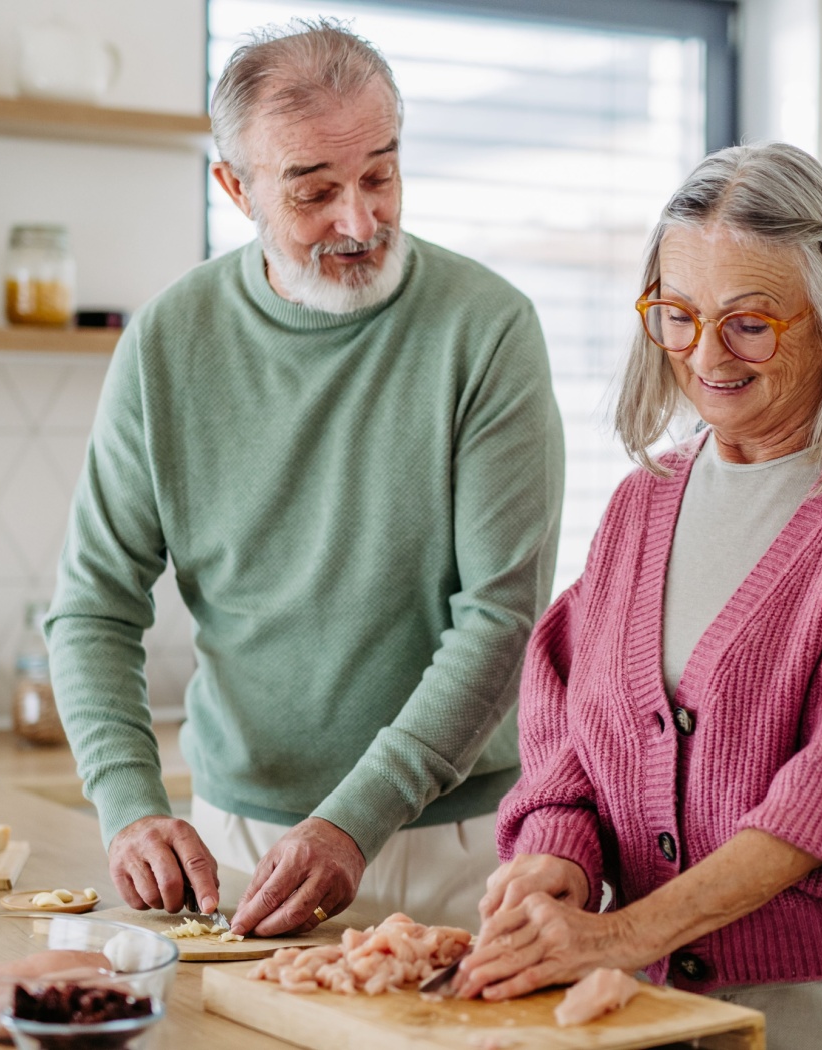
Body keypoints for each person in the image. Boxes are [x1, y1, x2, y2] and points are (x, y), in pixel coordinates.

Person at [454, 142, 822, 1050]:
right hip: (668, 1009)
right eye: (677, 315)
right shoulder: (643, 502)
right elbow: (573, 733)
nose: (706, 355)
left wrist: (619, 934)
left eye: (750, 323)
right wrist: (558, 856)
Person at [45, 19, 564, 938]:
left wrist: (352, 822)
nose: (359, 221)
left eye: (379, 175)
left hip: (461, 844)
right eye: (316, 191)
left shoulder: (487, 330)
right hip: (240, 841)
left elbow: (500, 618)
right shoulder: (167, 344)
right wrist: (128, 802)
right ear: (235, 188)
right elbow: (93, 605)